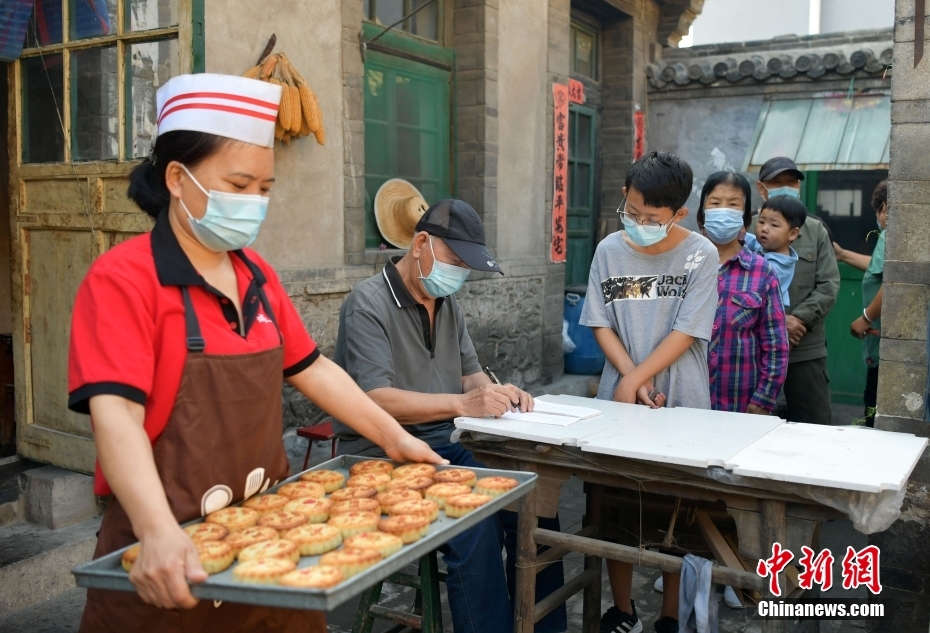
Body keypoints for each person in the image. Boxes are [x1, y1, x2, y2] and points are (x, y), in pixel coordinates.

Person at [68, 74, 443, 633]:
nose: (253, 203)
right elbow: (117, 414)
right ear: (178, 178)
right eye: (239, 185)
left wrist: (395, 439)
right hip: (167, 561)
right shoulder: (123, 279)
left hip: (271, 550)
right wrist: (157, 529)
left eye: (264, 189)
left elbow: (312, 368)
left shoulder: (257, 275)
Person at [333, 198, 567, 633]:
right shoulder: (367, 303)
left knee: (533, 503)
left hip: (446, 444)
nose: (458, 274)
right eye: (455, 261)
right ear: (421, 243)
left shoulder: (446, 301)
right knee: (474, 525)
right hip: (382, 454)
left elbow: (470, 376)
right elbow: (375, 398)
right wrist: (463, 405)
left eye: (465, 266)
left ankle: (543, 628)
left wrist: (497, 393)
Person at [581, 151, 718, 633]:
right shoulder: (608, 251)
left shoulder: (700, 254)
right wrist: (629, 378)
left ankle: (668, 615)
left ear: (678, 214)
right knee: (614, 504)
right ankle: (622, 609)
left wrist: (635, 381)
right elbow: (599, 321)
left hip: (679, 399)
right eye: (632, 213)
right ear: (625, 195)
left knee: (676, 514)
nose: (639, 223)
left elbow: (688, 330)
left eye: (652, 218)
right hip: (621, 398)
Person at [749, 157, 840, 425]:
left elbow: (829, 284)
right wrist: (776, 321)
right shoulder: (749, 230)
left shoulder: (815, 229)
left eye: (791, 182)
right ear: (762, 188)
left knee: (813, 425)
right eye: (777, 182)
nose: (786, 187)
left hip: (804, 349)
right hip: (755, 348)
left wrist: (798, 319)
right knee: (751, 422)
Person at [696, 172, 789, 415]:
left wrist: (763, 399)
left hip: (740, 403)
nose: (723, 210)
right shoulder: (683, 266)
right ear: (701, 214)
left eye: (733, 204)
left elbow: (776, 345)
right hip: (685, 400)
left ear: (745, 218)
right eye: (715, 203)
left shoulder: (763, 272)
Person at [833, 180, 887, 427]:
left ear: (883, 209)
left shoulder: (889, 236)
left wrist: (865, 317)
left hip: (883, 338)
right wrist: (842, 254)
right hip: (880, 339)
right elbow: (876, 269)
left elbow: (893, 282)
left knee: (875, 406)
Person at [744, 195, 807, 308]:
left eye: (774, 225)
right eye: (762, 221)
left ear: (792, 233)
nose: (764, 229)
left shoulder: (777, 268)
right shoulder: (768, 247)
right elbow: (749, 239)